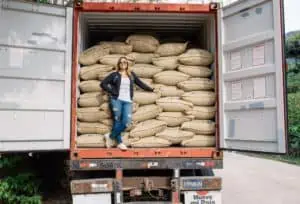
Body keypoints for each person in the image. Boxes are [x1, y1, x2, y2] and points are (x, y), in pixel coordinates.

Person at [100, 57, 156, 150]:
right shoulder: (115, 75)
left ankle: (110, 136)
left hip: (127, 101)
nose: (123, 63)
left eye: (125, 62)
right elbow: (103, 84)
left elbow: (140, 83)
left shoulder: (131, 75)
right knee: (117, 121)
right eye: (121, 62)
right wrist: (112, 91)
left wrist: (151, 89)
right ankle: (120, 143)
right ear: (118, 64)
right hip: (116, 100)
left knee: (127, 122)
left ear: (127, 64)